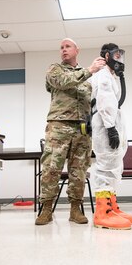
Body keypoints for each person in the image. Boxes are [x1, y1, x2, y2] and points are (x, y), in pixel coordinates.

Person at [35, 38, 106, 225]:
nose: (63, 50)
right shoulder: (55, 69)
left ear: (77, 50)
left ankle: (75, 210)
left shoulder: (87, 81)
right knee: (51, 169)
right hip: (58, 126)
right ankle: (46, 210)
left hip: (82, 129)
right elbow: (63, 82)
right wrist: (90, 70)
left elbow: (92, 102)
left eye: (67, 47)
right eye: (61, 47)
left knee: (79, 171)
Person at [91, 43, 132, 230]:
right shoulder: (102, 74)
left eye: (120, 56)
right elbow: (105, 101)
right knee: (106, 166)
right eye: (115, 55)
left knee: (115, 165)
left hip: (111, 121)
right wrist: (110, 128)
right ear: (106, 57)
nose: (119, 59)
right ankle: (102, 213)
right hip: (104, 123)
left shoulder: (111, 75)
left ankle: (112, 208)